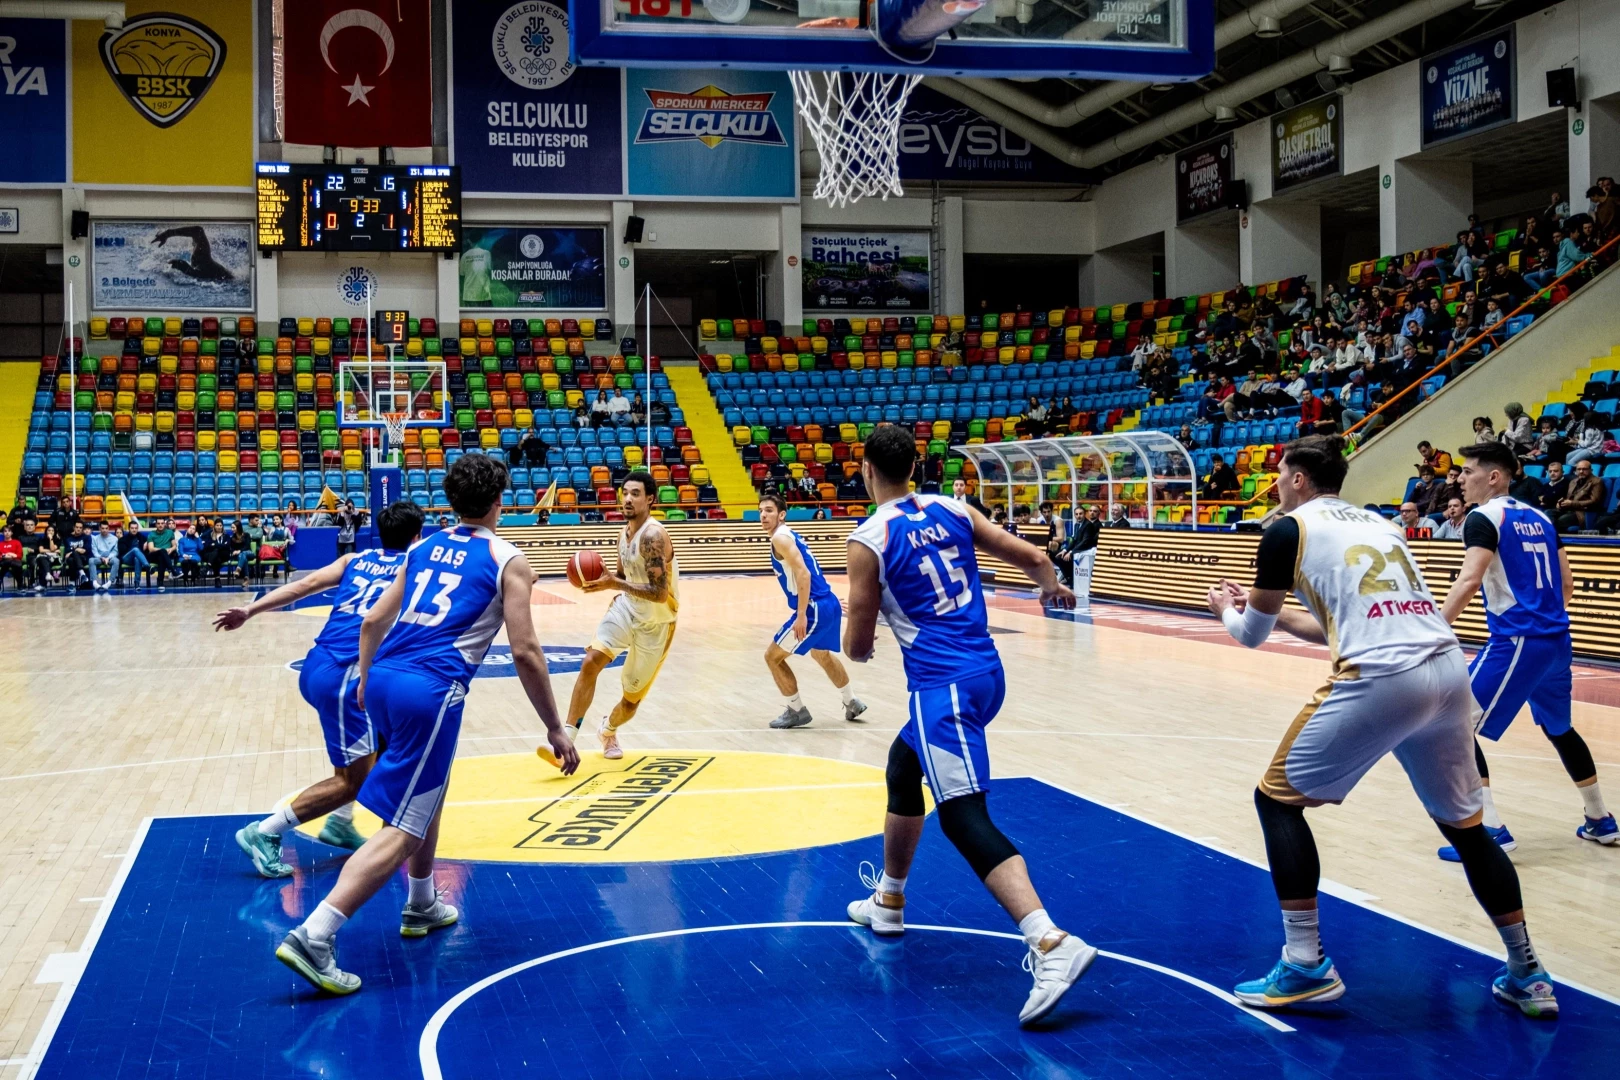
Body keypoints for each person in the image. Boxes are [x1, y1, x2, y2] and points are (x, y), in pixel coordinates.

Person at [1204, 434, 1556, 1018]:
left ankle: (1305, 965)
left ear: (1298, 479)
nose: (1276, 483)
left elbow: (1250, 635)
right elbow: (1341, 622)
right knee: (1469, 831)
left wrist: (1226, 611)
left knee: (1277, 802)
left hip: (1384, 677)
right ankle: (1528, 972)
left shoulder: (1287, 530)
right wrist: (1281, 614)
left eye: (1281, 473)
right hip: (1447, 670)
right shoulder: (1379, 524)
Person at [272, 461, 577, 995]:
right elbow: (526, 651)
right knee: (403, 827)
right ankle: (314, 936)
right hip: (429, 691)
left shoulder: (421, 548)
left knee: (429, 789)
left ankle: (422, 902)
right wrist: (555, 727)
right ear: (499, 501)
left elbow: (373, 621)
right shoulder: (508, 559)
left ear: (451, 501)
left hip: (383, 678)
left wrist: (367, 679)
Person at [841, 423, 1094, 1026]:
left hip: (944, 690)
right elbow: (1035, 558)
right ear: (915, 466)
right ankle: (890, 899)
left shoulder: (868, 539)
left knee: (961, 815)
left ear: (867, 469)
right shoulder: (953, 508)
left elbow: (856, 647)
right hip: (986, 674)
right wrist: (1050, 587)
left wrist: (858, 627)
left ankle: (1050, 941)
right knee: (903, 768)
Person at [219, 500, 426, 877]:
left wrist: (250, 610)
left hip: (318, 663)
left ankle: (341, 823)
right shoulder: (416, 567)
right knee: (351, 782)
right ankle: (264, 832)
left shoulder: (354, 560)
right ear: (417, 536)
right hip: (347, 677)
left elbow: (304, 585)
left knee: (384, 740)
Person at [1436, 443, 1616, 861]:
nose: (1460, 479)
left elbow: (1468, 580)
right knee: (1559, 728)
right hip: (1557, 642)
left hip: (1518, 640)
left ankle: (1489, 830)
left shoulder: (1483, 517)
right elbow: (1567, 585)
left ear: (1494, 477)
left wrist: (1432, 630)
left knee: (1450, 723)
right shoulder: (1542, 517)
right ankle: (1599, 818)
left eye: (1467, 472)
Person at [541, 471, 679, 764]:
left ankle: (608, 730)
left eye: (635, 494)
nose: (627, 499)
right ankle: (566, 742)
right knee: (591, 661)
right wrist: (601, 582)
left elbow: (658, 593)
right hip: (627, 608)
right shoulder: (624, 533)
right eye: (625, 493)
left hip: (656, 623)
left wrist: (614, 584)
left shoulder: (653, 536)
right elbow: (621, 578)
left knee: (630, 703)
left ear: (650, 499)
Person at [757, 493, 866, 729]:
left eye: (769, 510)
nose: (763, 515)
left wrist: (801, 615)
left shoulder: (780, 538)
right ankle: (851, 701)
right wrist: (828, 601)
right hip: (825, 602)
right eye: (761, 511)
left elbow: (804, 574)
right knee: (821, 654)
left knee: (772, 657)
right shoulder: (789, 535)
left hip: (813, 607)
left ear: (782, 515)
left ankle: (796, 710)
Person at [1054, 504, 1101, 596]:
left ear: (1084, 514)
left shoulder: (1088, 525)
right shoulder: (1076, 525)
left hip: (1085, 550)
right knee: (1055, 555)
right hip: (1077, 548)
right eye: (1076, 514)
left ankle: (1070, 579)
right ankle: (1069, 578)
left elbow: (1085, 542)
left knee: (1064, 558)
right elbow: (1074, 540)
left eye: (1080, 514)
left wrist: (1071, 552)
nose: (1078, 516)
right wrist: (1065, 550)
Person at [1554, 458, 1604, 532]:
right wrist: (1561, 503)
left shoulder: (1596, 481)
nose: (1581, 471)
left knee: (1561, 520)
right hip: (1568, 509)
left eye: (1584, 469)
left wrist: (1572, 503)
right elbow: (1569, 497)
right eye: (1579, 469)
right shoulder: (1573, 482)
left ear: (1591, 470)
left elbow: (1594, 501)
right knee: (1548, 514)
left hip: (1581, 512)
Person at [145, 517, 176, 590]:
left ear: (165, 524)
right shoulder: (151, 534)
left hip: (166, 555)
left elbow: (174, 546)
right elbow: (151, 549)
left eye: (162, 523)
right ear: (156, 525)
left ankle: (160, 582)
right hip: (153, 555)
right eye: (158, 523)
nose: (160, 525)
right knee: (162, 552)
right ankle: (172, 570)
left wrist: (171, 549)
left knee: (162, 558)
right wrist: (163, 550)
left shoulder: (170, 532)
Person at [117, 520, 150, 587]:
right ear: (129, 529)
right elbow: (122, 551)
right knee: (135, 549)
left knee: (137, 559)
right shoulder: (123, 539)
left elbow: (149, 540)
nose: (134, 530)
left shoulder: (141, 537)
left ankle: (137, 583)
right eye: (132, 528)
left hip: (137, 559)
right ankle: (147, 565)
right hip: (126, 558)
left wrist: (147, 542)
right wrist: (135, 551)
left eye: (135, 528)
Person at [61, 521, 92, 589]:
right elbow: (66, 552)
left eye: (80, 528)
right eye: (77, 527)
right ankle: (82, 574)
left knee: (72, 557)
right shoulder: (68, 538)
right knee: (71, 559)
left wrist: (73, 551)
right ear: (74, 528)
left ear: (82, 529)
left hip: (83, 558)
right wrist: (77, 550)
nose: (78, 529)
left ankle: (72, 583)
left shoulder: (87, 537)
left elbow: (85, 550)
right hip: (71, 559)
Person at [0, 525, 26, 591]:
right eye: (5, 531)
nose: (7, 533)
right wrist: (5, 556)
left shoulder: (17, 542)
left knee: (14, 564)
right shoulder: (0, 544)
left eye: (9, 531)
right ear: (3, 533)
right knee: (14, 565)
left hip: (15, 561)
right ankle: (20, 585)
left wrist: (9, 555)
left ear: (12, 533)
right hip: (3, 561)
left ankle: (0, 580)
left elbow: (19, 555)